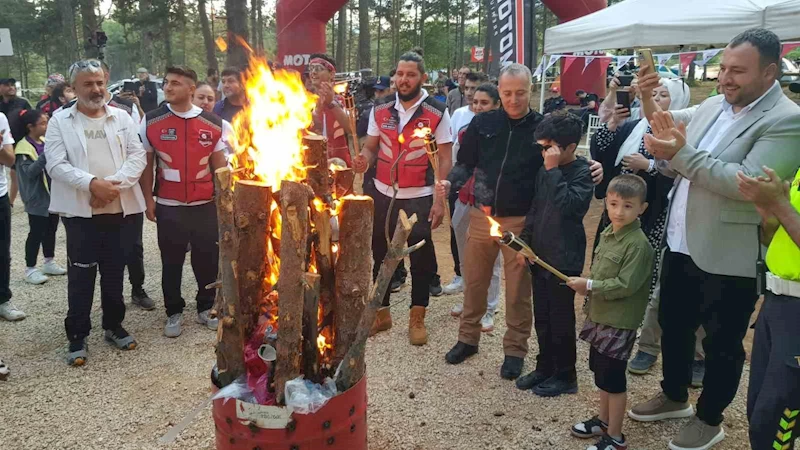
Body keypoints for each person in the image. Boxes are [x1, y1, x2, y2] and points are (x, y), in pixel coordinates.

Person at [628, 28, 800, 450]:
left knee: (723, 342)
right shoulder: (714, 104)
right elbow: (664, 126)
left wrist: (678, 154)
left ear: (770, 72)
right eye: (723, 67)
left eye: (737, 71)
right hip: (682, 238)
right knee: (674, 324)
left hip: (731, 253)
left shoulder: (787, 119)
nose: (725, 77)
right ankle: (673, 395)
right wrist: (648, 95)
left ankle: (710, 417)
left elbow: (745, 182)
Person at [444, 63, 603, 380]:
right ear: (498, 91)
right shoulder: (484, 122)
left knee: (518, 290)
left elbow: (566, 154)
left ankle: (515, 350)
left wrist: (591, 165)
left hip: (521, 219)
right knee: (474, 282)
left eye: (520, 92)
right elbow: (466, 162)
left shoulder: (542, 127)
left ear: (530, 90)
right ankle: (467, 338)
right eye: (506, 93)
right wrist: (450, 182)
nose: (513, 99)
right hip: (481, 214)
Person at [592, 77, 707, 382]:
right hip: (619, 213)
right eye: (651, 94)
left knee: (653, 282)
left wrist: (650, 166)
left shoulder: (687, 133)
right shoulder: (633, 127)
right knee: (614, 266)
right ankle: (627, 335)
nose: (655, 100)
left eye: (663, 95)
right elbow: (602, 150)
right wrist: (613, 125)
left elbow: (687, 175)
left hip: (657, 216)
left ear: (678, 102)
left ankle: (680, 351)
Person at [46, 59, 147, 366]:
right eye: (88, 84)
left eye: (100, 82)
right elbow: (56, 164)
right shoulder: (59, 121)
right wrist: (91, 185)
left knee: (115, 271)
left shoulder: (122, 117)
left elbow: (137, 154)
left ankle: (113, 326)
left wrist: (110, 187)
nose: (96, 89)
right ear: (73, 88)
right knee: (81, 273)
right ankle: (77, 335)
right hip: (80, 213)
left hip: (119, 209)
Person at [353, 51, 453, 346]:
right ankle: (381, 312)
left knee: (420, 257)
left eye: (411, 74)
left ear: (423, 78)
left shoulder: (437, 111)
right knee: (381, 252)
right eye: (399, 73)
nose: (403, 79)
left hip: (419, 195)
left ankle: (417, 315)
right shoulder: (380, 107)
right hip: (383, 193)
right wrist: (364, 158)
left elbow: (445, 156)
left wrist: (439, 197)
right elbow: (371, 147)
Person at [566, 174, 655, 450]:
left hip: (619, 322)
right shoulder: (608, 233)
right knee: (600, 372)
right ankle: (604, 422)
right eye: (614, 203)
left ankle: (615, 437)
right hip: (600, 315)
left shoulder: (638, 245)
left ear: (642, 208)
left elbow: (625, 285)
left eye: (628, 206)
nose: (618, 211)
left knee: (613, 378)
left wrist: (589, 285)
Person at [139, 66, 228, 338]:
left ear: (191, 89)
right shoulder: (151, 121)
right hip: (169, 204)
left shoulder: (213, 123)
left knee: (207, 259)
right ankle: (173, 311)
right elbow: (146, 164)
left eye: (176, 83)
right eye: (167, 82)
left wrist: (224, 201)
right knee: (172, 261)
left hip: (204, 206)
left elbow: (220, 167)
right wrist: (147, 200)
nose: (168, 87)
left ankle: (205, 307)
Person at [515, 112, 594, 398]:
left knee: (561, 319)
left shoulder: (582, 173)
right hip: (540, 256)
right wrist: (525, 242)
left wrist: (552, 171)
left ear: (570, 147)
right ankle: (544, 365)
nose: (545, 152)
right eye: (543, 147)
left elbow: (569, 205)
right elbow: (536, 208)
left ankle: (566, 374)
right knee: (543, 316)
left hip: (564, 259)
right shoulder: (545, 169)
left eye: (551, 147)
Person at [737, 166, 800, 450]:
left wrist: (779, 204)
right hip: (777, 301)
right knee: (758, 408)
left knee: (776, 417)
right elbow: (775, 240)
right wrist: (769, 217)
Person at [448, 83, 502, 333]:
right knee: (466, 255)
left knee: (491, 259)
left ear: (496, 104)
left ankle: (489, 308)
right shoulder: (467, 129)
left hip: (492, 203)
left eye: (485, 103)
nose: (478, 107)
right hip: (465, 197)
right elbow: (461, 162)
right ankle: (471, 300)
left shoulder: (506, 131)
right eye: (476, 102)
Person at [442, 72, 488, 296]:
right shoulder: (458, 114)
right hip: (459, 182)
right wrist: (450, 178)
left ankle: (486, 292)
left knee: (483, 239)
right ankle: (460, 275)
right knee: (457, 230)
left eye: (475, 89)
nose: (470, 94)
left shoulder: (494, 119)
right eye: (467, 89)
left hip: (484, 189)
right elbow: (451, 148)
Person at [14, 109, 68, 285]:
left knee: (51, 228)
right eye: (43, 123)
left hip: (52, 195)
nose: (46, 125)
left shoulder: (45, 141)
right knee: (36, 232)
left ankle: (49, 261)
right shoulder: (23, 148)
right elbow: (29, 172)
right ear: (30, 127)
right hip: (37, 198)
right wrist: (46, 155)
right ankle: (30, 268)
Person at [306, 53, 353, 166]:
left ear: (331, 74)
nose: (313, 72)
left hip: (339, 162)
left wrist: (331, 103)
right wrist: (318, 108)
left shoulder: (344, 99)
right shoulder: (305, 100)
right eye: (311, 68)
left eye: (319, 69)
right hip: (312, 161)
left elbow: (351, 128)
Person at [0, 111, 24, 322]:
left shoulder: (0, 118)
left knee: (1, 252)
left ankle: (2, 299)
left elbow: (9, 160)